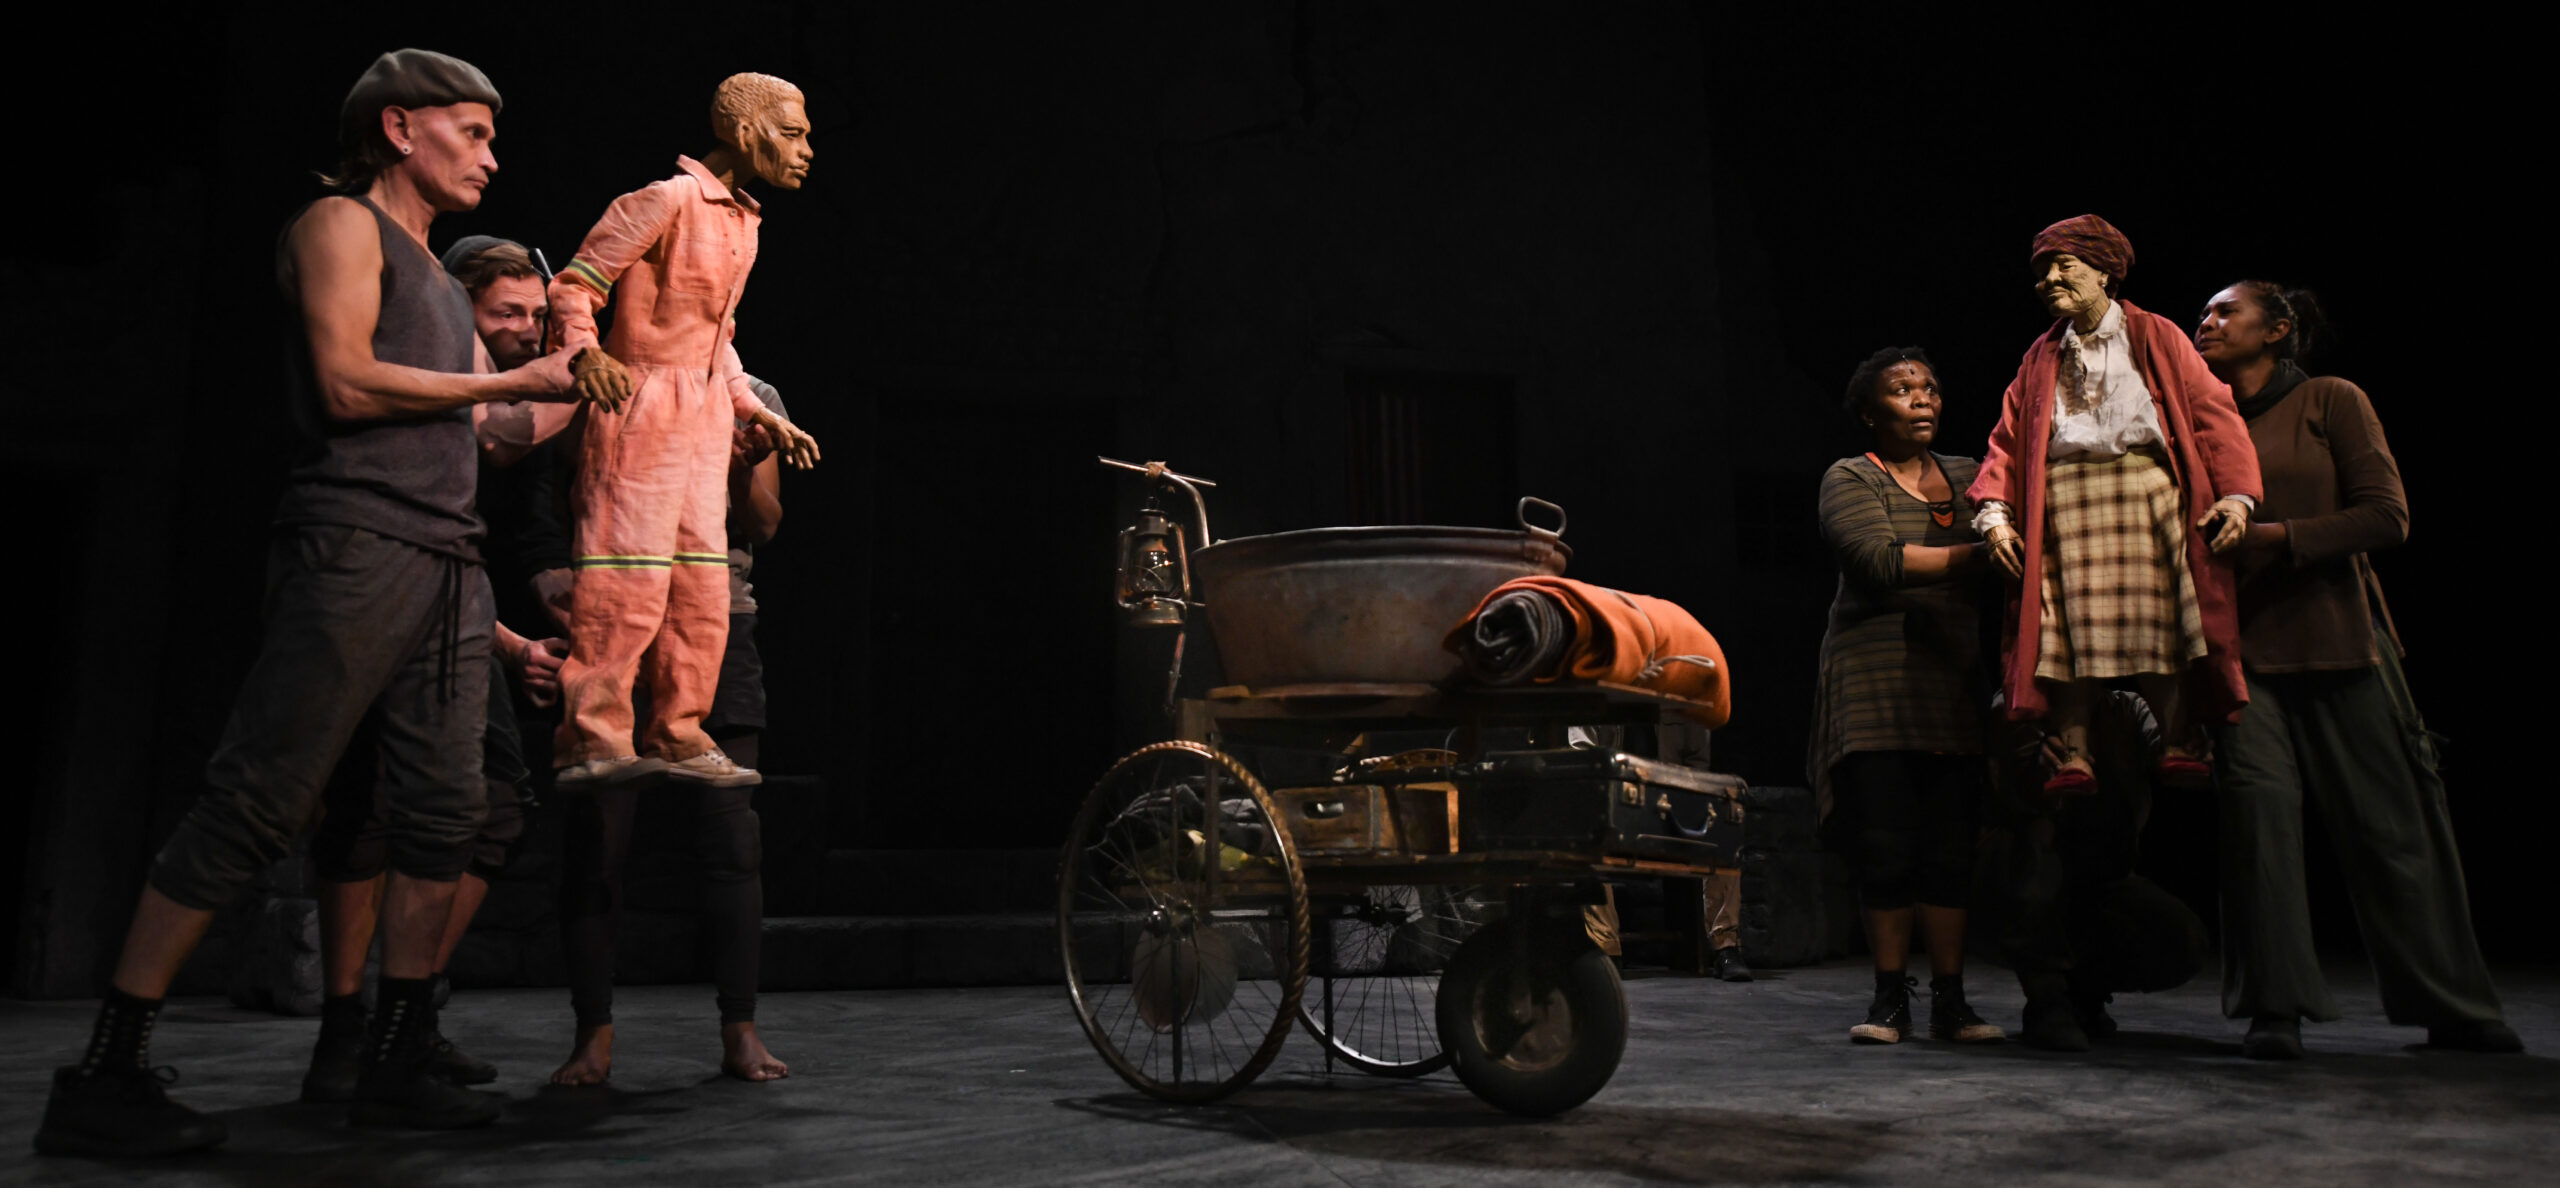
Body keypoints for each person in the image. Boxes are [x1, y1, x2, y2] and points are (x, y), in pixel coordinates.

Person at [34, 49, 577, 1156]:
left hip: (449, 560)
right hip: (355, 542)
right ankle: (107, 1071)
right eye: (471, 132)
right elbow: (344, 381)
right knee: (258, 799)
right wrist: (507, 378)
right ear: (398, 129)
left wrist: (602, 369)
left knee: (447, 812)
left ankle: (395, 1055)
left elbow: (487, 428)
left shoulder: (440, 280)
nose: (491, 156)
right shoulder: (340, 226)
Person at [2194, 281, 2520, 1059]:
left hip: (2340, 643)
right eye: (2203, 312)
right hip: (2241, 658)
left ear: (2278, 329)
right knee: (2258, 831)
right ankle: (2274, 1009)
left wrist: (2275, 539)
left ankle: (2454, 1006)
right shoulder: (2201, 421)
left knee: (2393, 828)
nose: (2206, 322)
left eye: (2225, 311)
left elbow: (2386, 516)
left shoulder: (2330, 400)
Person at [300, 237, 575, 1103]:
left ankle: (401, 1016)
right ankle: (350, 1029)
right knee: (367, 802)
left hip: (460, 608)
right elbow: (496, 444)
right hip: (383, 588)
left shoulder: (513, 382)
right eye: (507, 313)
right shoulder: (438, 372)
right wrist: (586, 376)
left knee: (495, 806)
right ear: (461, 308)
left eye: (537, 314)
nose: (526, 329)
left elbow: (510, 537)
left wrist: (542, 629)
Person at [544, 72, 821, 794]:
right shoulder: (665, 199)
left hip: (702, 415)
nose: (805, 150)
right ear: (745, 132)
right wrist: (585, 353)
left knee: (701, 579)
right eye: (792, 134)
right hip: (641, 403)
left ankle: (678, 729)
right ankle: (594, 734)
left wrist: (757, 411)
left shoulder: (742, 223)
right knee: (625, 571)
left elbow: (716, 341)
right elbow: (575, 285)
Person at [549, 377, 793, 1085]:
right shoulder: (612, 382)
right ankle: (593, 1033)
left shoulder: (753, 396)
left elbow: (765, 525)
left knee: (732, 837)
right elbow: (568, 485)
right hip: (619, 618)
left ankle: (740, 1028)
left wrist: (739, 463)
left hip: (720, 621)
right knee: (599, 834)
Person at [1970, 215, 2262, 796]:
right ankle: (2075, 751)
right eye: (2042, 272)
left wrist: (2237, 497)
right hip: (2064, 503)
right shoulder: (2040, 356)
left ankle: (2176, 740)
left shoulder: (2154, 334)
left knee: (2160, 624)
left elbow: (2213, 415)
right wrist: (1996, 517)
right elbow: (2007, 440)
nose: (2049, 281)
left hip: (2146, 496)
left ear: (2103, 272)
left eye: (2063, 266)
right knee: (2066, 631)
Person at [1809, 347, 2003, 1045]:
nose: (1922, 398)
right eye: (1902, 389)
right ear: (1870, 412)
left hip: (1950, 680)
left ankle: (1951, 1001)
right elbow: (1878, 561)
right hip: (1875, 681)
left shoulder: (1970, 475)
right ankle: (1890, 998)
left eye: (1930, 387)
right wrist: (1985, 556)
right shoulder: (1851, 476)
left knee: (1950, 845)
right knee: (1886, 842)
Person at [1976, 691, 2207, 1051]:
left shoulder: (2126, 707)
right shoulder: (2017, 701)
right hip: (2017, 885)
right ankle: (2047, 998)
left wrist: (2186, 743)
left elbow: (2161, 743)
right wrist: (2041, 757)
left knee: (2181, 937)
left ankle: (2083, 992)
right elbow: (2012, 792)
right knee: (2038, 847)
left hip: (2097, 880)